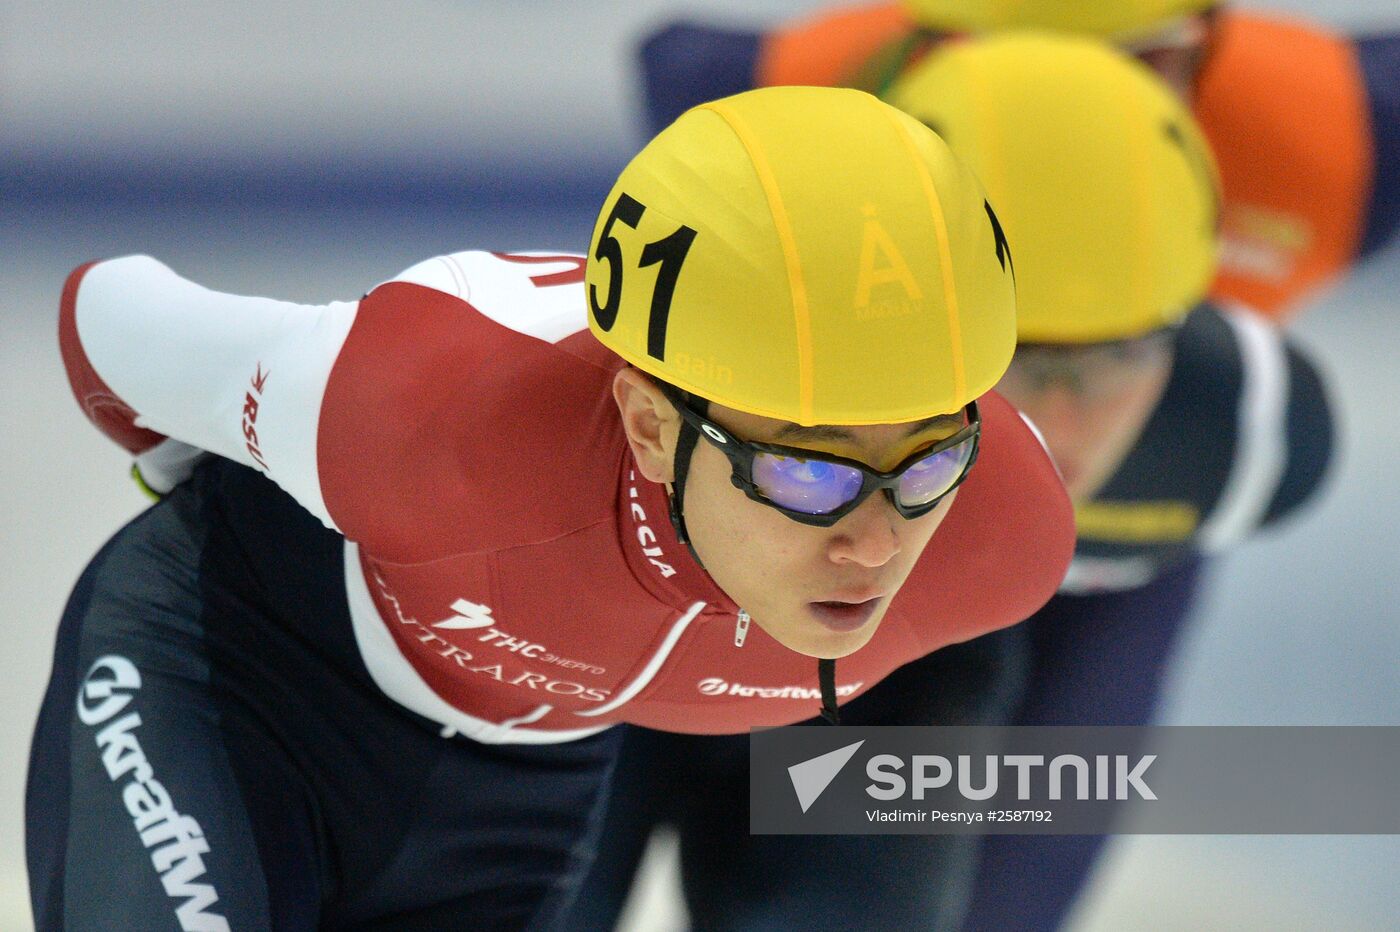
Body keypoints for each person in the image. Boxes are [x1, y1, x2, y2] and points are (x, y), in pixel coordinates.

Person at [24, 86, 1076, 930]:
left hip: (515, 802)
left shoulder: (999, 540)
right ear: (650, 427)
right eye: (810, 474)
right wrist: (204, 499)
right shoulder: (425, 414)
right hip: (236, 685)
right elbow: (104, 316)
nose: (876, 542)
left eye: (927, 465)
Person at [572, 34, 1335, 931]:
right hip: (639, 604)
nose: (1062, 426)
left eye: (1122, 354)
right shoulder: (682, 355)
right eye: (1013, 358)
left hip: (921, 657)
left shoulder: (1233, 443)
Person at [636, 0, 1400, 319]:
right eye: (994, 67)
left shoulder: (1354, 134)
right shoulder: (777, 98)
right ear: (922, 39)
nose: (1058, 120)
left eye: (1128, 69)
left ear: (1203, 44)